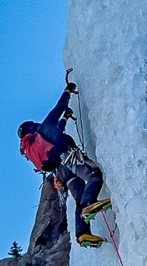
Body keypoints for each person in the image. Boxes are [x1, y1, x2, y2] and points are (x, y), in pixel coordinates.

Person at [18, 84, 108, 248]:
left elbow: (58, 130)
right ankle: (89, 205)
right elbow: (58, 108)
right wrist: (67, 91)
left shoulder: (33, 147)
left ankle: (82, 233)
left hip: (61, 172)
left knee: (79, 194)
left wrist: (66, 118)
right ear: (32, 128)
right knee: (94, 176)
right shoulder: (43, 131)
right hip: (68, 159)